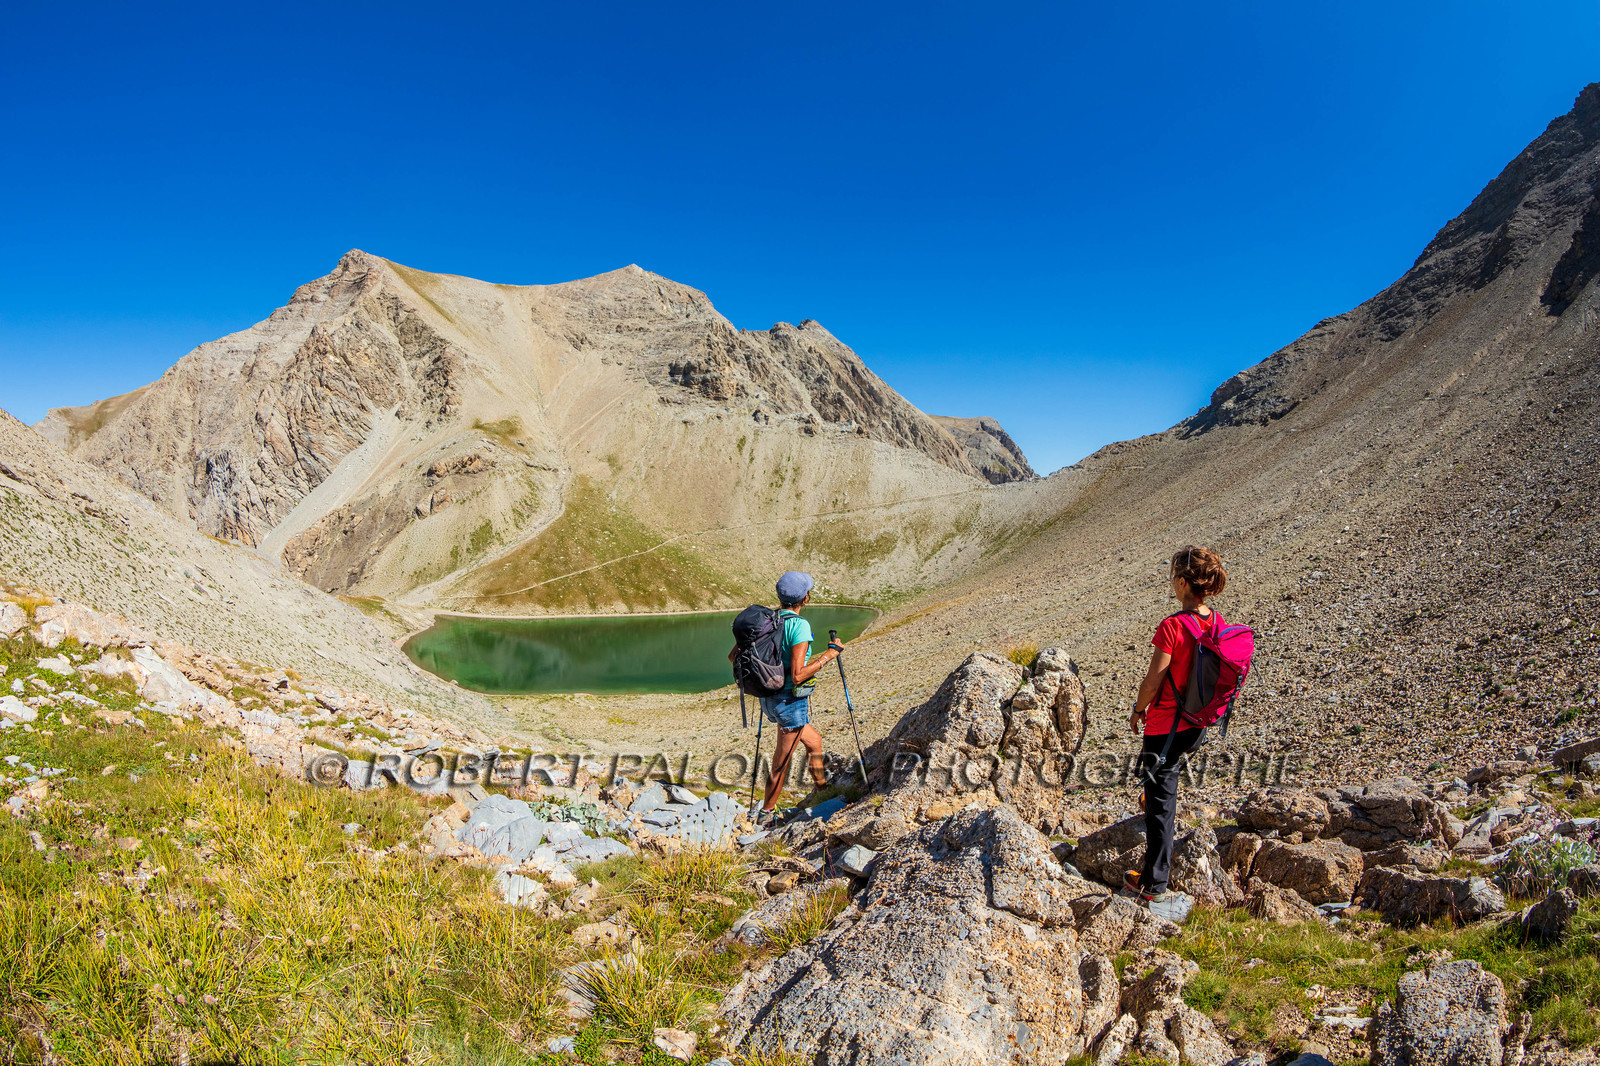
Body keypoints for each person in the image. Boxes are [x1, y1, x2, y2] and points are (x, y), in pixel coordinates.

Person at [1126, 545, 1229, 912]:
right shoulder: (1215, 622)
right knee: (1161, 786)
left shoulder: (1172, 626)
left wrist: (1139, 710)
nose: (1172, 585)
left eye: (1173, 578)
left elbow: (1154, 680)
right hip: (1197, 725)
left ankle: (1153, 884)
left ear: (1184, 582)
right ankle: (1152, 802)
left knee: (1161, 800)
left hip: (1166, 726)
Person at [730, 570, 842, 824]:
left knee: (813, 741)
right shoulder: (799, 625)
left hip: (768, 698)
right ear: (805, 597)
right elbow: (800, 675)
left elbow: (732, 657)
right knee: (781, 762)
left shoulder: (767, 620)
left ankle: (823, 791)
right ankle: (766, 813)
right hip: (789, 702)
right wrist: (829, 656)